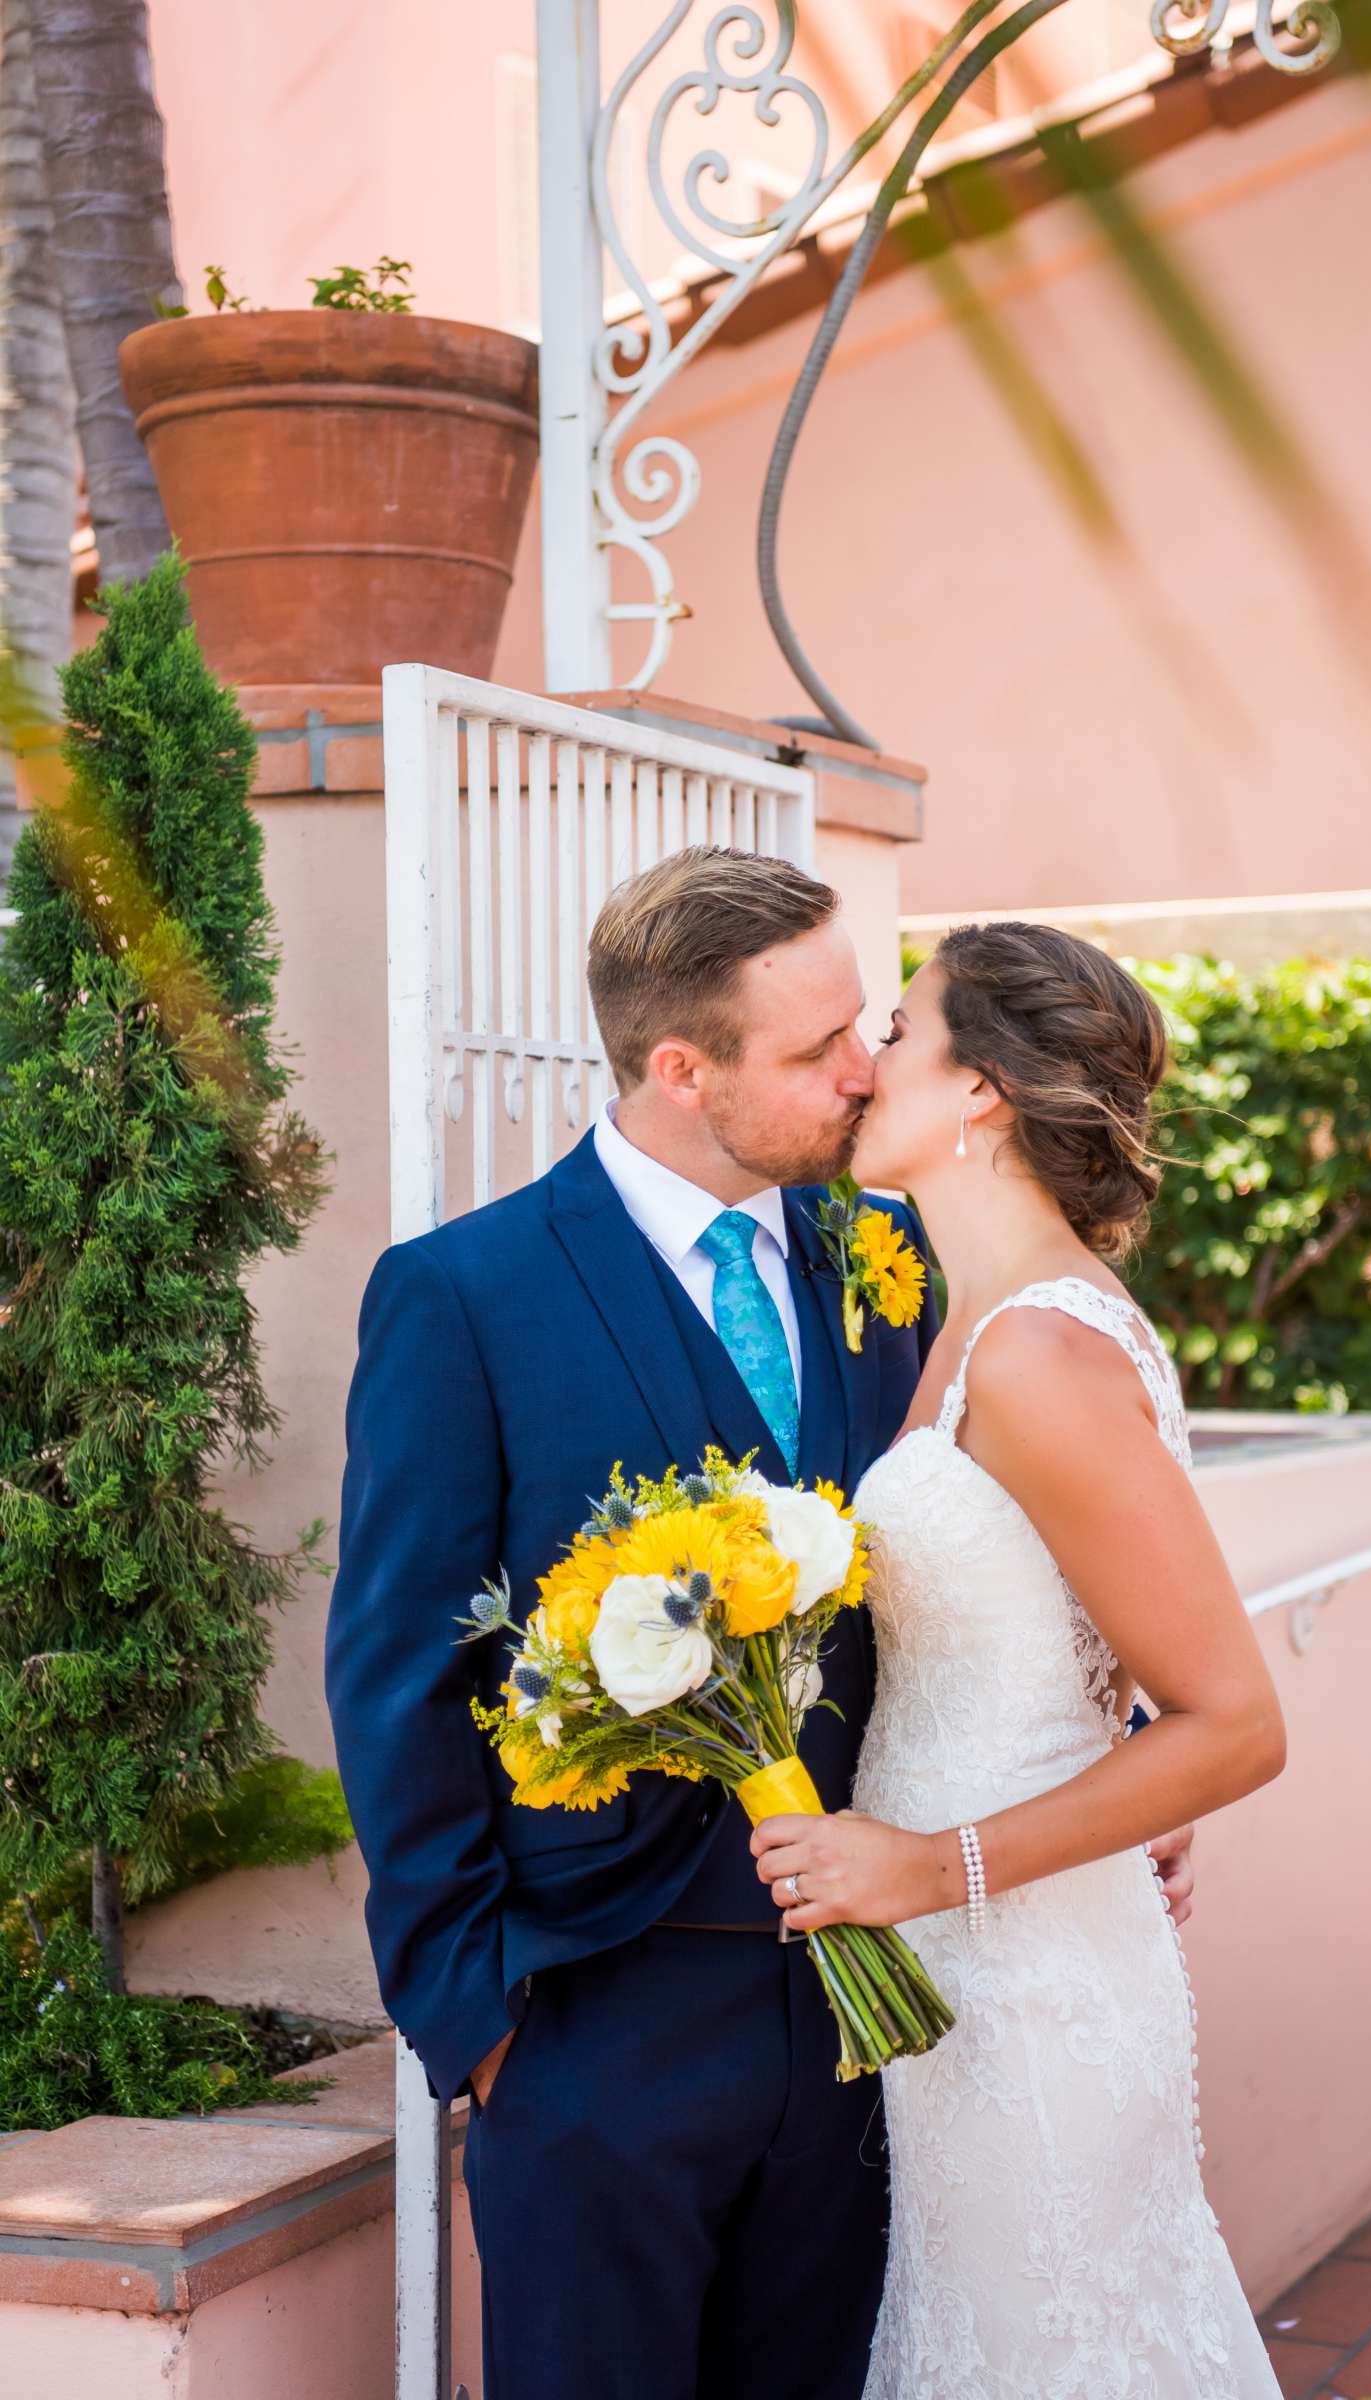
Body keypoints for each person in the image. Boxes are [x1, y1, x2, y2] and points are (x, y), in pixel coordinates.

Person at [325, 852, 1197, 2400]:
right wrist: (480, 2028)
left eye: (870, 1028)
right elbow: (397, 1672)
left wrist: (1102, 1745)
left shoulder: (909, 1258)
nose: (864, 1070)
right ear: (682, 1069)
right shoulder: (466, 1295)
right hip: (603, 2013)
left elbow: (1007, 1552)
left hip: (892, 2021)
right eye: (815, 1052)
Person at [749, 921, 1286, 2398]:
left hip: (1019, 1960)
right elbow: (1080, 1647)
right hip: (964, 1958)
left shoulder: (1039, 1356)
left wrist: (924, 1870)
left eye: (901, 1034)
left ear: (981, 1092)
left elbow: (1234, 1723)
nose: (864, 1069)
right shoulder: (963, 1319)